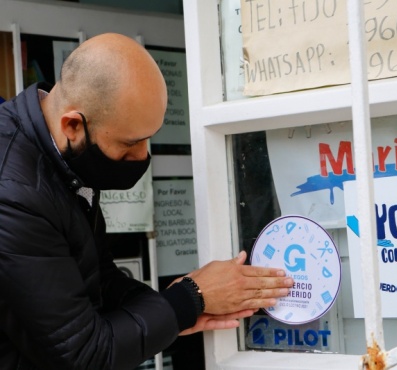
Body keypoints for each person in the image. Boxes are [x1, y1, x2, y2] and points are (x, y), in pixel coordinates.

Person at [0, 33, 293, 370]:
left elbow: (100, 279)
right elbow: (84, 355)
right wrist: (191, 298)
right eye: (130, 144)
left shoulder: (59, 157)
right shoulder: (14, 194)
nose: (142, 156)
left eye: (148, 139)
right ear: (73, 125)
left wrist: (177, 308)